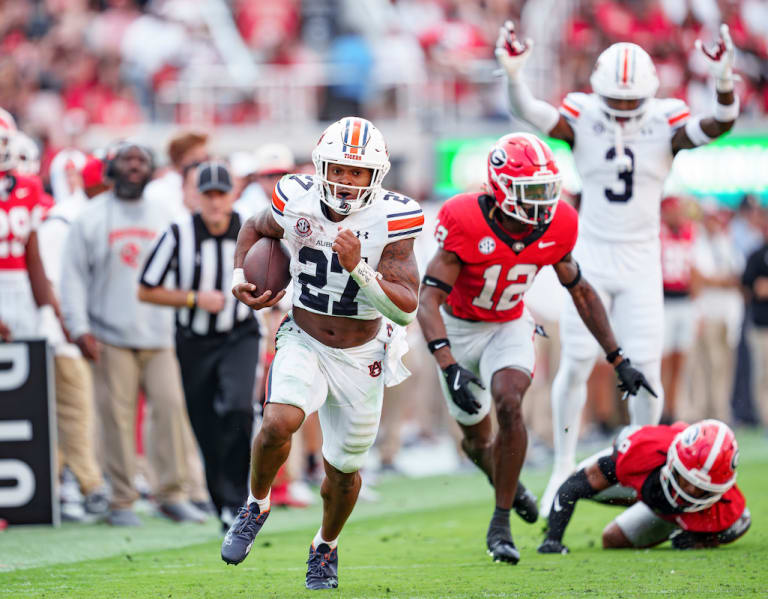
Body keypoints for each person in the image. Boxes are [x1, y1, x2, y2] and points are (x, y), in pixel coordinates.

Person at [495, 21, 740, 517]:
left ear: (649, 94)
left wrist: (724, 80)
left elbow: (719, 124)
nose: (624, 109)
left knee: (646, 368)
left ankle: (643, 468)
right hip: (591, 254)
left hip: (641, 259)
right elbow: (531, 113)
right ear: (598, 91)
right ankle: (563, 465)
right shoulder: (584, 115)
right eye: (616, 100)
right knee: (578, 363)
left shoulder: (665, 120)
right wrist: (514, 76)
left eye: (632, 102)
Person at [417, 132, 654, 565]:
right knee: (475, 440)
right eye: (532, 193)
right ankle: (509, 483)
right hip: (457, 326)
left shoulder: (559, 222)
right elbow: (428, 298)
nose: (543, 203)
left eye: (547, 190)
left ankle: (501, 521)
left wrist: (618, 357)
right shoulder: (464, 218)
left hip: (508, 323)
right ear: (501, 187)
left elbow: (580, 291)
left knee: (509, 401)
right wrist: (447, 361)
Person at [221, 116, 421, 591]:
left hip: (362, 352)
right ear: (319, 166)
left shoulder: (395, 217)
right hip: (304, 335)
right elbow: (254, 227)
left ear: (376, 176)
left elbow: (406, 308)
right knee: (277, 422)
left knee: (343, 471)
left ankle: (325, 546)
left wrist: (360, 270)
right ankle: (256, 503)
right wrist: (238, 279)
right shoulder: (296, 197)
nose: (346, 181)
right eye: (338, 169)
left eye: (357, 173)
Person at [60, 143, 205, 526]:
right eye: (128, 161)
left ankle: (171, 494)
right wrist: (79, 328)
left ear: (152, 168)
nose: (136, 167)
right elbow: (72, 278)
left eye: (142, 160)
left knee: (172, 409)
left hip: (162, 334)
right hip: (110, 335)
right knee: (117, 420)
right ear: (111, 170)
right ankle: (121, 501)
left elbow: (187, 269)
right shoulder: (90, 218)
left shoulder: (166, 214)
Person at [139, 161, 261, 531]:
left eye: (220, 194)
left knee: (239, 408)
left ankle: (239, 499)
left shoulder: (251, 229)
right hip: (193, 341)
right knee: (205, 423)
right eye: (206, 194)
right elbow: (146, 288)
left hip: (240, 333)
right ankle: (221, 501)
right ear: (194, 196)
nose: (213, 202)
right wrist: (194, 299)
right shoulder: (178, 233)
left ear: (233, 195)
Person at [538, 419, 750, 553]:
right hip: (643, 480)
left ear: (720, 489)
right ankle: (639, 496)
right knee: (584, 479)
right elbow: (574, 485)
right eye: (685, 479)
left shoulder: (728, 511)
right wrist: (553, 539)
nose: (690, 491)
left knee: (613, 538)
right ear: (672, 459)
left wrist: (701, 537)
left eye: (702, 489)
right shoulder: (642, 453)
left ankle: (676, 522)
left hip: (670, 515)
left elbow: (739, 524)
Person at [659, 196, 698, 422]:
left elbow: (693, 271)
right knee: (661, 362)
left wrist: (697, 305)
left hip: (684, 302)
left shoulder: (690, 232)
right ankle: (660, 410)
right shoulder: (657, 234)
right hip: (664, 301)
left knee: (679, 362)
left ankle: (672, 411)